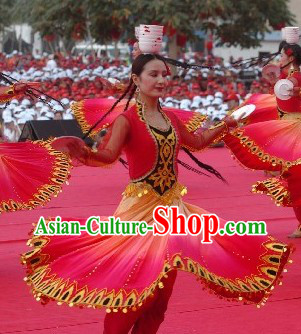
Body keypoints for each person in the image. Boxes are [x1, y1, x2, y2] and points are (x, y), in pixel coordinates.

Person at [22, 54, 292, 334]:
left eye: (165, 75)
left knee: (160, 300)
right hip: (138, 214)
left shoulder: (171, 117)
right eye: (154, 75)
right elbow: (107, 157)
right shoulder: (126, 120)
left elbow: (197, 142)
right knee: (132, 295)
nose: (162, 80)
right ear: (136, 80)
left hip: (172, 214)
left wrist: (226, 124)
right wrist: (82, 152)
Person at [224, 27, 301, 237]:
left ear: (290, 56)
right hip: (286, 125)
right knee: (294, 177)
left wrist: (289, 87)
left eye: (282, 55)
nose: (279, 59)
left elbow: (290, 87)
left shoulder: (295, 76)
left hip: (294, 130)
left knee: (296, 178)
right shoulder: (289, 74)